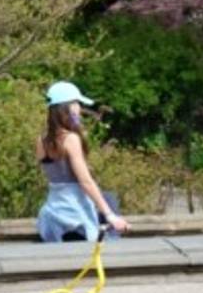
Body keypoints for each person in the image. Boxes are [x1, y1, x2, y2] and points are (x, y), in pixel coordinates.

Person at [35, 81, 131, 242]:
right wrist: (110, 215)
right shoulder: (70, 139)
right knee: (110, 207)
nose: (79, 109)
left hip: (53, 213)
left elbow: (56, 174)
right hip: (75, 215)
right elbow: (85, 182)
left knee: (108, 197)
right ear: (69, 107)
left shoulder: (41, 140)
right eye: (77, 104)